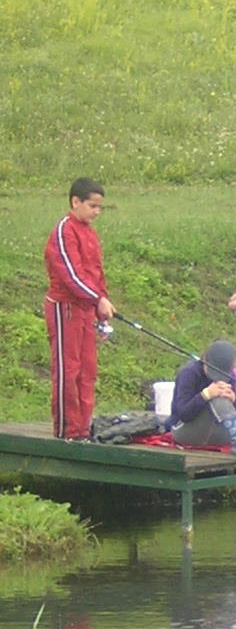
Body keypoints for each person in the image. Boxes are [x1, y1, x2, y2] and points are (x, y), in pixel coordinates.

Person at [45, 176, 116, 439]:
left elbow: (96, 273)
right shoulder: (65, 230)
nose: (97, 212)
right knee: (68, 370)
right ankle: (67, 431)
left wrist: (102, 303)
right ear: (76, 202)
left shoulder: (90, 233)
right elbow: (71, 275)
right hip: (65, 308)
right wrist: (97, 298)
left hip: (87, 311)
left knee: (88, 371)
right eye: (92, 206)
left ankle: (83, 429)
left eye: (100, 207)